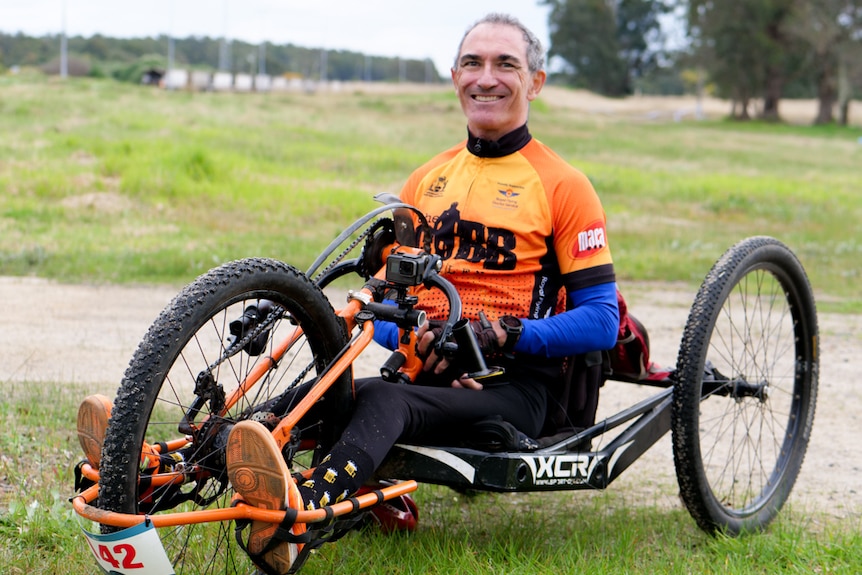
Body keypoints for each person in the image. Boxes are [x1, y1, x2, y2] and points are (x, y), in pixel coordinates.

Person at [78, 13, 621, 575]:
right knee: (307, 399)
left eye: (506, 64)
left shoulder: (563, 185)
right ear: (454, 76)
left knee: (384, 402)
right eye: (473, 63)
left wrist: (499, 334)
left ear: (535, 80)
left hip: (513, 387)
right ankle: (156, 472)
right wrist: (413, 331)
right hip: (423, 371)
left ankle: (306, 512)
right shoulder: (425, 182)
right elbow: (386, 306)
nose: (488, 78)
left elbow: (601, 321)